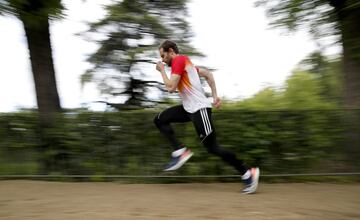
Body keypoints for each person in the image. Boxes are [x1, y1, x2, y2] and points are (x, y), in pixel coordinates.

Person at [154, 40, 259, 194]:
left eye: (163, 56)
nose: (162, 60)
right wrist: (215, 96)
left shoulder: (179, 60)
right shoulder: (186, 65)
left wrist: (162, 70)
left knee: (213, 148)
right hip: (189, 109)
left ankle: (248, 173)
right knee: (159, 119)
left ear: (171, 51)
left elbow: (170, 87)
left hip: (200, 109)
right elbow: (208, 74)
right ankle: (179, 151)